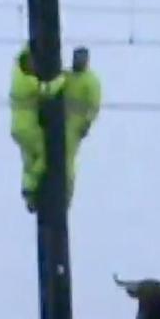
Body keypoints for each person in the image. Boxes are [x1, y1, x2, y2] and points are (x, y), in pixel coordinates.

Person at [61, 46, 101, 205]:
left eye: (81, 58)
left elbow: (93, 106)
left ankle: (66, 194)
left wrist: (86, 125)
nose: (78, 61)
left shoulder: (91, 81)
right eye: (76, 57)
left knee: (67, 160)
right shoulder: (68, 76)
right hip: (60, 123)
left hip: (74, 128)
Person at [9, 43, 45, 213]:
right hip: (29, 128)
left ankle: (30, 195)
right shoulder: (29, 82)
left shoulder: (17, 77)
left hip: (18, 128)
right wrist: (61, 80)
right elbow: (48, 90)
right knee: (45, 154)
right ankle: (31, 187)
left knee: (29, 162)